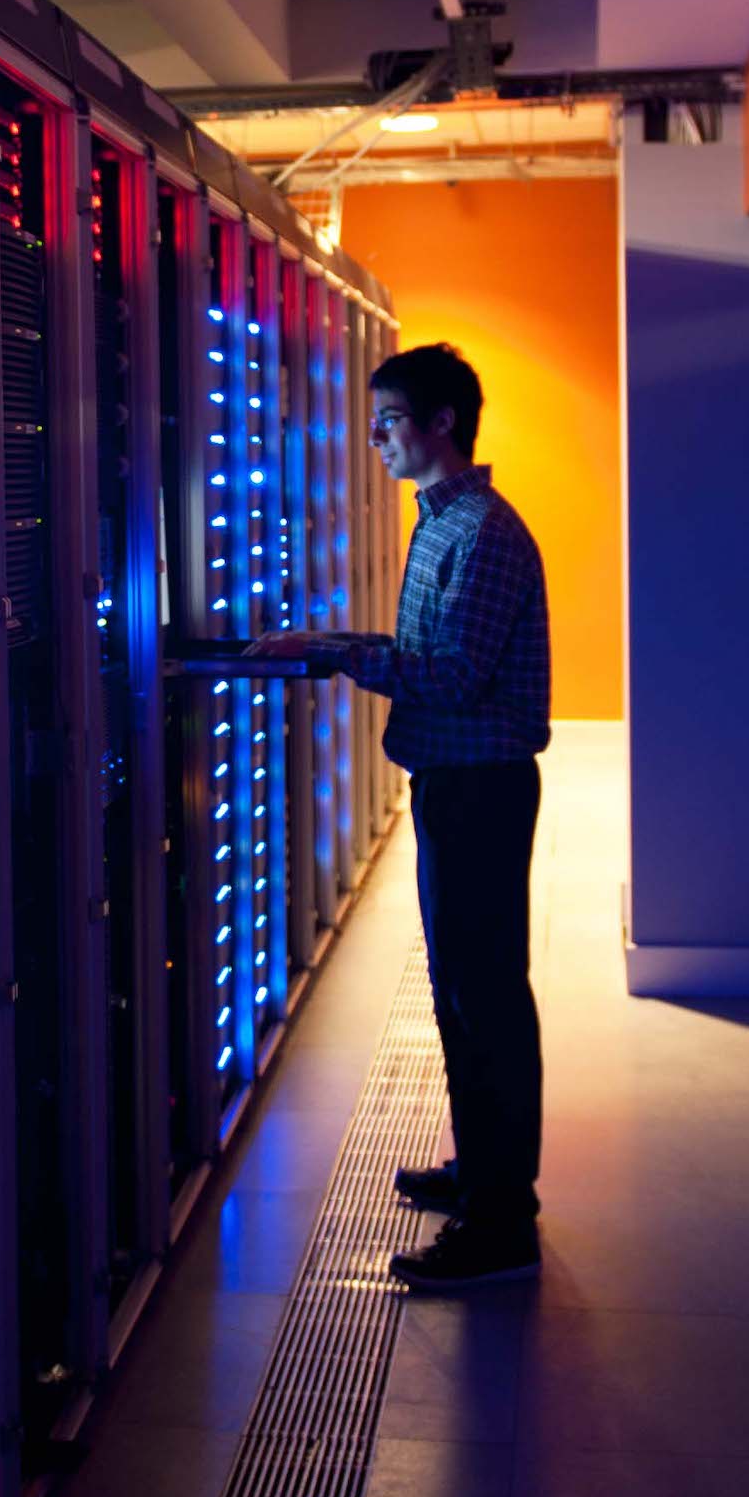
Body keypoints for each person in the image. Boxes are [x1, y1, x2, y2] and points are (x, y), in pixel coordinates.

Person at [251, 342, 551, 1290]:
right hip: (450, 784)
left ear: (440, 424)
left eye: (386, 420)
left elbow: (454, 677)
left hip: (482, 788)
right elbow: (431, 656)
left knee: (488, 996)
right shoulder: (438, 523)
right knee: (460, 993)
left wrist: (338, 653)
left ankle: (504, 1222)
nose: (374, 436)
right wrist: (332, 642)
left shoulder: (484, 534)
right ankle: (483, 1172)